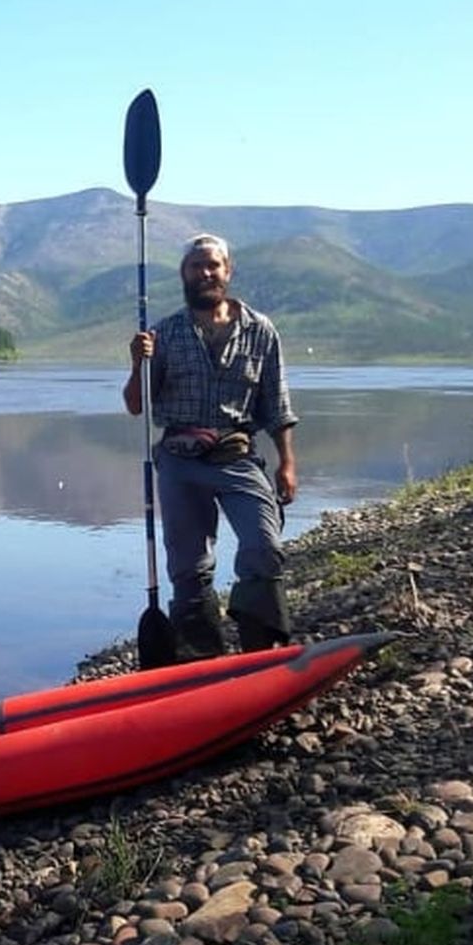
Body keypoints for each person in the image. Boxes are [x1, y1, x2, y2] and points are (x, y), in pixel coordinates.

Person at [122, 233, 299, 663]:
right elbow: (135, 406)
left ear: (228, 270)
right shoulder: (163, 334)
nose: (205, 273)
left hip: (238, 456)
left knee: (263, 545)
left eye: (212, 265)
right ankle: (199, 660)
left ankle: (260, 650)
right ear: (184, 275)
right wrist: (137, 363)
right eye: (195, 266)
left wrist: (287, 464)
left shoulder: (261, 331)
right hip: (180, 463)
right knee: (189, 569)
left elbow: (277, 403)